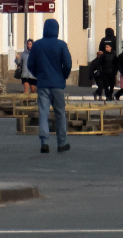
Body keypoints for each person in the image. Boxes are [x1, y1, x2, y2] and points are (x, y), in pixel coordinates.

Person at [25, 18, 74, 155]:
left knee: (43, 113)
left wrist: (39, 74)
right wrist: (63, 75)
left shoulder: (37, 45)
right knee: (60, 114)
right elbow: (68, 64)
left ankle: (44, 142)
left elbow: (30, 64)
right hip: (58, 84)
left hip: (43, 84)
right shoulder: (61, 45)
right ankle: (62, 143)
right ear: (57, 30)